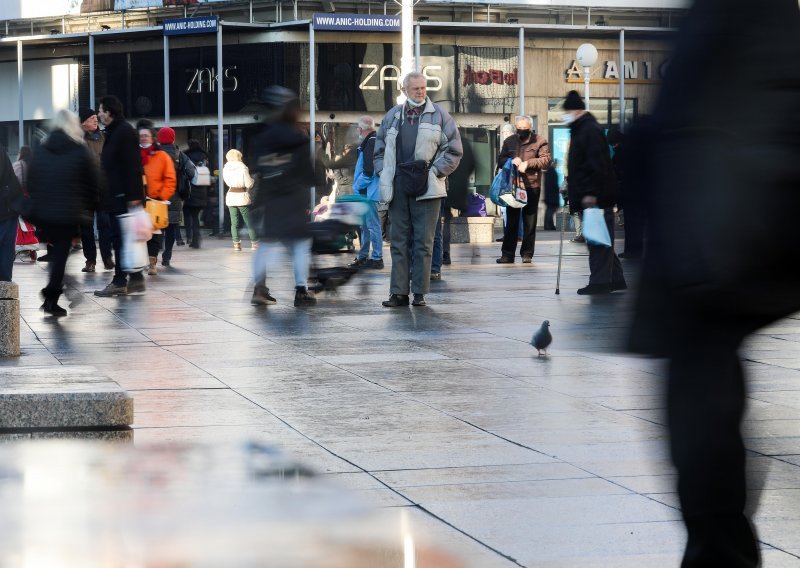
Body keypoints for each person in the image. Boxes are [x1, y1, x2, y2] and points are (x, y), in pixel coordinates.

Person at [629, 1, 800, 566]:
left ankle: (720, 552)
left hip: (723, 228)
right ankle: (718, 547)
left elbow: (769, 92)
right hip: (707, 226)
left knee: (699, 406)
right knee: (700, 404)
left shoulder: (748, 11)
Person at [373, 71, 463, 308]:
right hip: (398, 185)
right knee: (399, 240)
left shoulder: (440, 116)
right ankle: (398, 293)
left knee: (424, 241)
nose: (421, 92)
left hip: (429, 187)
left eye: (423, 88)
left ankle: (419, 293)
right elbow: (379, 150)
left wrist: (435, 172)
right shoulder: (392, 116)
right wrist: (384, 172)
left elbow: (454, 150)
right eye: (416, 89)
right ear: (404, 91)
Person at [27, 110, 100, 315]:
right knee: (60, 255)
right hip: (68, 212)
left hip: (45, 213)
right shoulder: (79, 149)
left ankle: (52, 297)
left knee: (58, 254)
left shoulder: (42, 149)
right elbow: (92, 182)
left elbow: (31, 180)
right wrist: (90, 206)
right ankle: (51, 295)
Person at [249, 86, 316, 308]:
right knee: (300, 246)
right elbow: (308, 173)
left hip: (270, 197)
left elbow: (257, 165)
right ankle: (301, 290)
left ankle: (259, 288)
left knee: (266, 244)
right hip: (294, 198)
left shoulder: (263, 136)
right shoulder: (298, 137)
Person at [562, 90, 625, 295]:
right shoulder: (582, 129)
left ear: (577, 110)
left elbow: (596, 164)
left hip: (596, 196)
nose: (566, 115)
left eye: (568, 111)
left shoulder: (588, 130)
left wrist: (590, 193)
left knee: (597, 241)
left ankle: (599, 283)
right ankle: (615, 279)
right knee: (601, 237)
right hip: (593, 195)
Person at [94, 95, 146, 297]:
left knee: (121, 239)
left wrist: (134, 196)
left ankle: (120, 281)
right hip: (118, 195)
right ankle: (135, 279)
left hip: (123, 196)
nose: (98, 114)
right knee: (126, 238)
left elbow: (133, 166)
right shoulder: (116, 131)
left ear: (108, 112)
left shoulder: (123, 132)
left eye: (100, 110)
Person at [495, 116, 551, 264]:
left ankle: (527, 253)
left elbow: (546, 160)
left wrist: (528, 163)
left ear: (530, 128)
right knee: (511, 222)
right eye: (519, 128)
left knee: (529, 222)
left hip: (532, 186)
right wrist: (511, 160)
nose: (521, 132)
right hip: (513, 186)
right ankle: (507, 254)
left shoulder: (540, 141)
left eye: (524, 129)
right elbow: (500, 160)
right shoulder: (509, 141)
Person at [137, 120, 176, 276]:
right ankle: (141, 261)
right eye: (141, 136)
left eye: (146, 135)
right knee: (139, 234)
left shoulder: (162, 156)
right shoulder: (133, 154)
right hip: (137, 201)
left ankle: (152, 261)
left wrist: (162, 196)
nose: (144, 138)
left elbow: (170, 178)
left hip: (155, 201)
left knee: (155, 233)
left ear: (153, 137)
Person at [77, 107, 114, 273]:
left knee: (105, 225)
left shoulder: (104, 137)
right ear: (83, 122)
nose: (95, 120)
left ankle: (107, 258)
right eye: (91, 118)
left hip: (103, 188)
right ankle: (90, 260)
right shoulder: (77, 139)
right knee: (86, 227)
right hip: (84, 191)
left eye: (95, 117)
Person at [156, 126, 196, 267]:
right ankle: (167, 256)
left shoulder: (154, 153)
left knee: (157, 226)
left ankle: (153, 256)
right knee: (171, 227)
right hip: (175, 195)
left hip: (156, 196)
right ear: (172, 138)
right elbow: (192, 172)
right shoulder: (180, 155)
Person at [349, 115, 383, 270]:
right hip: (368, 191)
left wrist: (357, 185)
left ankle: (376, 257)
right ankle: (364, 256)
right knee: (365, 225)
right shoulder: (373, 140)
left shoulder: (371, 141)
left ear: (360, 129)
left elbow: (369, 170)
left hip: (368, 191)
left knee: (372, 225)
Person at [222, 149, 257, 251]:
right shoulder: (243, 168)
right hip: (242, 195)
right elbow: (248, 184)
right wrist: (253, 181)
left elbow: (227, 182)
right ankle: (254, 243)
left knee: (234, 222)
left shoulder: (225, 168)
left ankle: (236, 244)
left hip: (231, 195)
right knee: (248, 221)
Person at [0, 145, 23, 282]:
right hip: (8, 207)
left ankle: (5, 288)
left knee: (6, 251)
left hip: (6, 208)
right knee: (6, 250)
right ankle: (5, 288)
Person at [184, 139, 209, 248]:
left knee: (187, 215)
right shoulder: (204, 157)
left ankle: (190, 237)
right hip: (202, 190)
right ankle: (196, 238)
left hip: (190, 189)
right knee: (195, 217)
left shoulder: (186, 156)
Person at [543, 159, 560, 231]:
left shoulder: (549, 172)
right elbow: (552, 185)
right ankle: (548, 226)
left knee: (549, 211)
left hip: (549, 195)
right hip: (552, 196)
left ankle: (549, 225)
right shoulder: (551, 172)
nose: (556, 165)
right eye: (556, 163)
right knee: (550, 211)